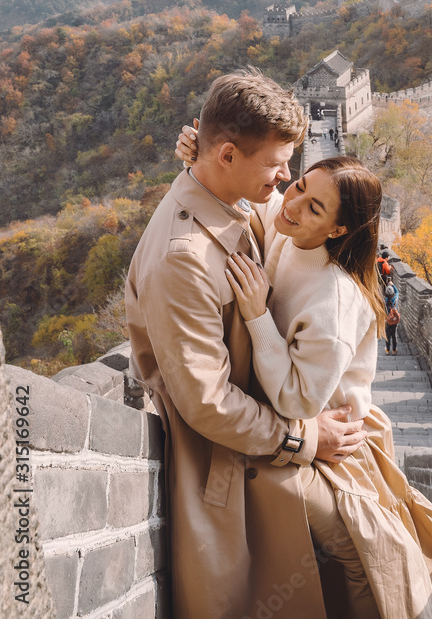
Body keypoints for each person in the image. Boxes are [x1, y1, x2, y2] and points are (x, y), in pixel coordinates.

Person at [178, 131, 432, 619]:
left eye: (314, 208)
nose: (293, 205)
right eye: (300, 186)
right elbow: (255, 200)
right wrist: (202, 158)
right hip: (308, 430)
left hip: (335, 443)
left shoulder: (333, 299)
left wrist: (256, 316)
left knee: (365, 554)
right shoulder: (291, 229)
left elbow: (297, 401)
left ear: (336, 231)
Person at [126, 70, 368, 619]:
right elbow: (208, 403)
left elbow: (278, 214)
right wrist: (306, 438)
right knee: (362, 548)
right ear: (230, 155)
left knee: (368, 541)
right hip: (232, 462)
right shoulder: (182, 259)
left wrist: (198, 158)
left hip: (265, 428)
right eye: (278, 165)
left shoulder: (233, 192)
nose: (287, 179)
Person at [384, 283, 400, 355]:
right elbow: (397, 292)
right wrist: (392, 284)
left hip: (387, 320)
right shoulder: (395, 299)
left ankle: (387, 349)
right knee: (394, 335)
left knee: (387, 335)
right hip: (394, 320)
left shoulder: (385, 301)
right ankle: (394, 350)